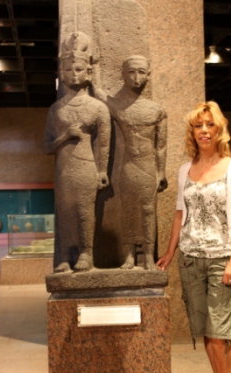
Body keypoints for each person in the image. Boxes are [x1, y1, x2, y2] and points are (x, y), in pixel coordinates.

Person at [156, 101, 231, 373]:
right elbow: (180, 215)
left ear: (219, 129)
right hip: (191, 259)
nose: (204, 131)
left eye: (210, 125)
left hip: (222, 258)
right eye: (199, 126)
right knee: (209, 333)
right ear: (192, 132)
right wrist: (170, 252)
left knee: (219, 332)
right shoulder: (185, 170)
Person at [44, 32, 111, 273]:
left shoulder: (97, 108)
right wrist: (66, 136)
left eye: (80, 69)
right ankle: (65, 256)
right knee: (65, 212)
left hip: (86, 166)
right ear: (62, 73)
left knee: (84, 211)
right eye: (70, 70)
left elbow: (103, 144)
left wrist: (102, 171)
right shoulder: (56, 109)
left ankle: (86, 253)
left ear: (89, 72)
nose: (74, 74)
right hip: (63, 169)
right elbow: (47, 146)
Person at [94, 55, 168, 270]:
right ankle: (128, 255)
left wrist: (160, 172)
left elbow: (161, 146)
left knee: (148, 211)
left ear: (148, 75)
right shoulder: (119, 107)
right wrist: (96, 66)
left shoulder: (157, 110)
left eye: (141, 72)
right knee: (128, 211)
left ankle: (147, 256)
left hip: (147, 168)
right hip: (128, 167)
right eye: (131, 72)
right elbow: (99, 93)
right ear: (123, 75)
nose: (136, 77)